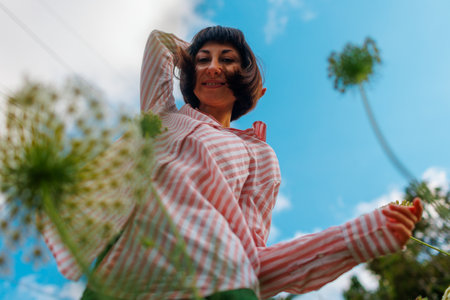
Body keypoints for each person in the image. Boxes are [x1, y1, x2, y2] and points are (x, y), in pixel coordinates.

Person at [45, 26, 423, 299]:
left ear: (249, 83)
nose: (212, 67)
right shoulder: (161, 115)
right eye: (202, 60)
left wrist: (357, 238)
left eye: (227, 61)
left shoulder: (258, 154)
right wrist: (195, 54)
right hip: (121, 279)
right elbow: (159, 42)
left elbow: (255, 256)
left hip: (220, 283)